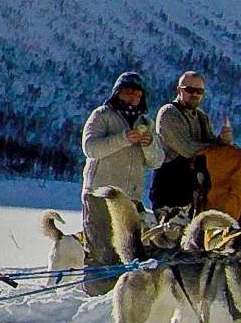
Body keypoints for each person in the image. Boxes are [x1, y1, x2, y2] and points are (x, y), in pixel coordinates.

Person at [80, 71, 163, 296]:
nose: (132, 97)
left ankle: (121, 295)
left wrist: (147, 145)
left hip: (130, 199)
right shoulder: (102, 115)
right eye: (128, 92)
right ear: (117, 93)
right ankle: (95, 297)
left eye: (137, 93)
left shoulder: (145, 122)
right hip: (100, 194)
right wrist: (124, 139)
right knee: (100, 249)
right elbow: (90, 148)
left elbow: (157, 160)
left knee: (127, 249)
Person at [149, 71, 232, 210]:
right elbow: (188, 149)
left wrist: (223, 141)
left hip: (194, 190)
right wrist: (217, 147)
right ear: (178, 90)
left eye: (199, 91)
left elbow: (211, 144)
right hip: (170, 188)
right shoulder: (168, 113)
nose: (194, 94)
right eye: (189, 90)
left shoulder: (202, 117)